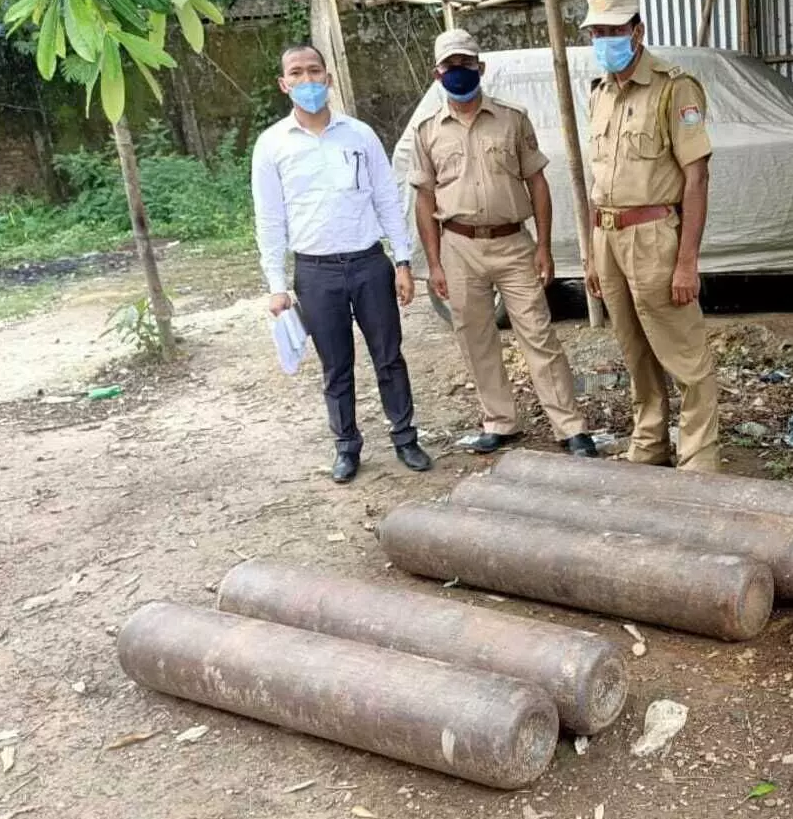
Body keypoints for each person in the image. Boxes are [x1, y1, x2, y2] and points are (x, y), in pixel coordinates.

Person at [409, 29, 598, 457]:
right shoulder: (427, 132)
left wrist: (544, 246)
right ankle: (500, 421)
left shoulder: (513, 119)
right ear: (436, 72)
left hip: (514, 245)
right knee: (475, 338)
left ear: (481, 67)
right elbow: (424, 199)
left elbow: (538, 183)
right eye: (450, 65)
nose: (459, 72)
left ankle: (569, 427)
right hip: (458, 247)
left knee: (538, 334)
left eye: (466, 63)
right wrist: (434, 263)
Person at [251, 43, 433, 484]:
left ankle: (405, 438)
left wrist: (403, 259)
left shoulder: (360, 135)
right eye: (297, 73)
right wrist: (277, 284)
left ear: (329, 78)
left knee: (389, 356)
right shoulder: (272, 145)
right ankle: (346, 446)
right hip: (315, 272)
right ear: (284, 84)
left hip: (370, 264)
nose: (307, 80)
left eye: (315, 71)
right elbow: (270, 218)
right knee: (336, 365)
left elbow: (388, 199)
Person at [580, 0, 719, 472]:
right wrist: (591, 256)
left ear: (637, 30)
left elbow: (696, 178)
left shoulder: (673, 89)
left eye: (613, 31)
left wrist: (686, 262)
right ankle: (650, 442)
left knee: (684, 352)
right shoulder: (598, 92)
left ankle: (699, 455)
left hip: (655, 235)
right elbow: (595, 181)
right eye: (597, 33)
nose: (604, 41)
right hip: (608, 236)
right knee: (634, 349)